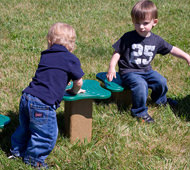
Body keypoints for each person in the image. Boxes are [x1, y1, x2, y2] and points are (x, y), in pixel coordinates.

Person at [9, 22, 85, 169]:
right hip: (43, 104)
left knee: (24, 128)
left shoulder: (46, 55)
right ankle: (33, 160)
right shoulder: (71, 59)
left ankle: (16, 151)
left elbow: (51, 76)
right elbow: (79, 82)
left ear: (50, 42)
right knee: (46, 135)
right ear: (72, 45)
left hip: (27, 96)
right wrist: (74, 91)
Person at [107, 0, 190, 123]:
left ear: (154, 22)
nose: (141, 26)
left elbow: (171, 49)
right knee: (141, 85)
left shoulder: (156, 40)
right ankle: (139, 112)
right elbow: (117, 52)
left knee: (161, 81)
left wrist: (187, 56)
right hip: (129, 72)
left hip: (146, 70)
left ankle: (160, 100)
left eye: (145, 23)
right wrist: (112, 67)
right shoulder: (128, 37)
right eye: (137, 23)